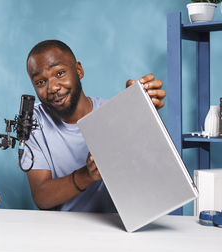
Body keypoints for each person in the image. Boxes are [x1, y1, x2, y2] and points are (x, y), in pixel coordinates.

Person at [21, 40, 165, 213]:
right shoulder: (34, 122)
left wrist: (137, 116)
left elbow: (149, 180)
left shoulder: (110, 113)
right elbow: (41, 197)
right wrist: (86, 175)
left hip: (117, 225)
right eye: (40, 82)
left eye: (59, 73)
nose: (52, 88)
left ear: (79, 70)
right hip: (63, 231)